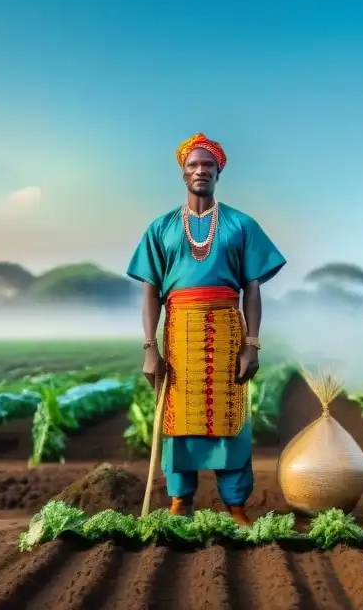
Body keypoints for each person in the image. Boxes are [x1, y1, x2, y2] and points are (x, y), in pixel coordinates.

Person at [126, 132, 286, 525]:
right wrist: (150, 347)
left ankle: (235, 505)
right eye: (193, 165)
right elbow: (151, 294)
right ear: (183, 174)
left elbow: (252, 288)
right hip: (179, 333)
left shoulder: (241, 225)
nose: (200, 170)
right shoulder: (161, 227)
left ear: (218, 172)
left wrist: (252, 343)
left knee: (231, 420)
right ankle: (180, 500)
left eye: (208, 165)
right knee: (178, 420)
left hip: (228, 332)